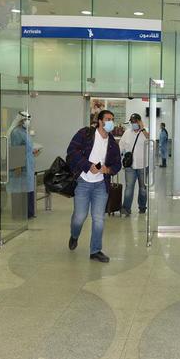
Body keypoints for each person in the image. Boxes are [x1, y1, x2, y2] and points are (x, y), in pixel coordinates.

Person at [66, 110, 121, 263]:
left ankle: (95, 250)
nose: (111, 122)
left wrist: (108, 170)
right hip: (83, 182)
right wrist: (87, 165)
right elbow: (72, 151)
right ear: (100, 121)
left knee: (98, 219)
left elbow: (117, 164)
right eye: (108, 119)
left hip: (100, 185)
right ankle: (74, 235)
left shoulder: (112, 143)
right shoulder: (86, 134)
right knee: (79, 217)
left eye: (112, 119)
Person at [8, 111, 37, 219]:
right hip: (21, 166)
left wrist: (33, 152)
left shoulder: (24, 132)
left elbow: (26, 147)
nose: (27, 121)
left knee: (27, 188)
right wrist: (17, 167)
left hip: (27, 164)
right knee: (18, 189)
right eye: (25, 119)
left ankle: (28, 213)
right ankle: (19, 213)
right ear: (20, 120)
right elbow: (15, 150)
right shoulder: (16, 132)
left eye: (29, 119)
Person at [119, 113, 149, 217]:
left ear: (140, 121)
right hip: (130, 166)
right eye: (132, 122)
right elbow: (121, 146)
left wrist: (143, 129)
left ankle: (142, 207)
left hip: (143, 165)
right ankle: (126, 208)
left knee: (143, 189)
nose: (134, 123)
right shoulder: (127, 133)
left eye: (136, 121)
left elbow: (151, 140)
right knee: (129, 188)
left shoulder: (145, 132)